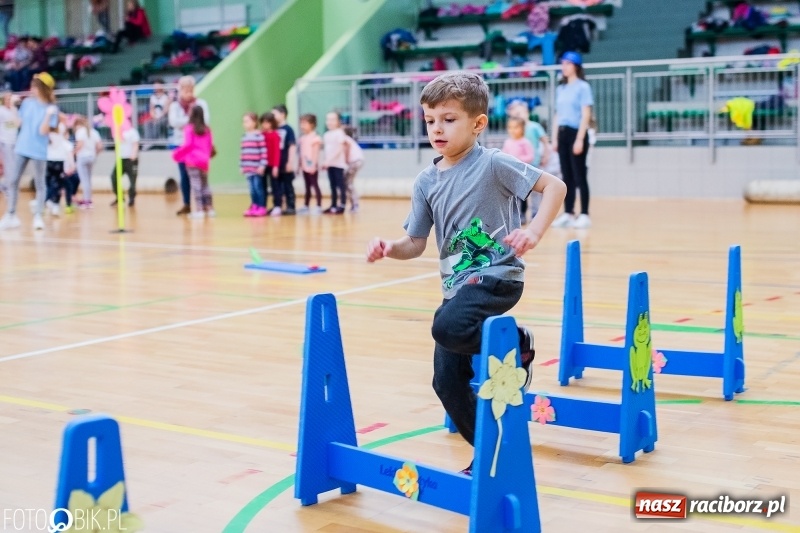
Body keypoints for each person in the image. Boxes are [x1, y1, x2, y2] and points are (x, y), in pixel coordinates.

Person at [365, 72, 566, 475]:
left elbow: (555, 187)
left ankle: (517, 342)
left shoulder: (493, 164)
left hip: (497, 277)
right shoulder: (425, 181)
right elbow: (416, 242)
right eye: (429, 120)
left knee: (446, 327)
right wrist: (391, 249)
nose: (437, 128)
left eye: (448, 119)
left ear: (478, 123)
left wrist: (533, 230)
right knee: (445, 381)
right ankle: (491, 451)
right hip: (458, 290)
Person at [0, 72, 59, 231]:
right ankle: (11, 215)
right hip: (22, 147)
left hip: (38, 150)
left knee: (40, 184)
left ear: (40, 88)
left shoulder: (51, 108)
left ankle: (38, 216)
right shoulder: (27, 103)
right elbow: (18, 123)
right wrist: (12, 106)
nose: (31, 88)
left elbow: (42, 131)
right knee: (12, 180)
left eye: (34, 86)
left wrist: (48, 116)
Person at [551, 51, 594, 229]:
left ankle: (584, 214)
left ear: (575, 66)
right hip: (562, 134)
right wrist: (554, 138)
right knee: (566, 176)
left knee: (579, 175)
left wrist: (580, 139)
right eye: (563, 63)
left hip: (576, 132)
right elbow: (557, 114)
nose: (564, 67)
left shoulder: (583, 87)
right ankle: (568, 213)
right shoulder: (560, 88)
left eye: (567, 63)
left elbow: (586, 115)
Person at [168, 76, 209, 215]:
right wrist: (192, 121)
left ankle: (204, 205)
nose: (187, 93)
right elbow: (174, 122)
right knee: (184, 176)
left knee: (201, 178)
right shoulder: (175, 106)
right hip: (180, 144)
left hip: (198, 148)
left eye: (190, 89)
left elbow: (205, 121)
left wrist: (186, 123)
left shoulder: (201, 103)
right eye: (184, 90)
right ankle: (187, 203)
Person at [172, 106, 214, 219]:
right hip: (204, 161)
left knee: (196, 185)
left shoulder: (189, 128)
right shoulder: (207, 129)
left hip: (192, 161)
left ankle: (199, 209)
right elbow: (210, 146)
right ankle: (210, 208)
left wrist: (176, 154)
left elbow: (187, 145)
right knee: (205, 185)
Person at [269, 104, 296, 216]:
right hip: (275, 163)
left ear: (283, 114)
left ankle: (291, 206)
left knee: (287, 185)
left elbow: (292, 146)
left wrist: (290, 161)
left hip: (284, 161)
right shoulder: (273, 130)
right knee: (275, 185)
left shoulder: (288, 129)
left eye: (274, 114)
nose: (272, 116)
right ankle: (277, 205)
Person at [240, 112, 267, 217]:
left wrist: (262, 165)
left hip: (257, 168)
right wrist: (242, 166)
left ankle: (261, 207)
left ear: (254, 122)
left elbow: (263, 152)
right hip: (248, 168)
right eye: (244, 121)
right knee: (251, 189)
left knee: (258, 187)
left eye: (247, 121)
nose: (245, 124)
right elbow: (243, 152)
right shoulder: (244, 136)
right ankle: (254, 206)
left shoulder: (258, 135)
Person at [73, 115, 102, 209]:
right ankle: (89, 200)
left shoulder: (80, 132)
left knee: (84, 180)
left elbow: (80, 145)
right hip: (92, 157)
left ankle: (86, 201)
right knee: (88, 180)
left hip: (82, 157)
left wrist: (72, 153)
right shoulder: (95, 132)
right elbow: (99, 146)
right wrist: (95, 154)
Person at [44, 115, 71, 216]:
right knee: (57, 184)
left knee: (49, 183)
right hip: (59, 160)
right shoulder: (61, 127)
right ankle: (54, 203)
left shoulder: (47, 129)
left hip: (49, 159)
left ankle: (49, 201)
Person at [321, 111, 347, 214]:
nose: (330, 122)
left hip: (338, 164)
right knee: (332, 185)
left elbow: (340, 148)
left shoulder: (339, 133)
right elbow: (327, 150)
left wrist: (329, 160)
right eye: (328, 119)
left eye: (332, 119)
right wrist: (325, 161)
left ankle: (342, 205)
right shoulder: (326, 134)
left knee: (340, 185)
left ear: (338, 121)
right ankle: (333, 204)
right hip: (330, 164)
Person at [109, 123, 140, 207]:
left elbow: (135, 144)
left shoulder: (132, 131)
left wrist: (133, 155)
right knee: (113, 178)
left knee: (132, 181)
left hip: (131, 160)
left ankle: (131, 198)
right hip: (120, 160)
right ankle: (119, 197)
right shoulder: (117, 132)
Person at [298, 113, 321, 214]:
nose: (302, 126)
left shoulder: (315, 138)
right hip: (304, 166)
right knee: (307, 186)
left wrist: (313, 165)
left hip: (311, 167)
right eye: (301, 123)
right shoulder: (302, 138)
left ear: (312, 124)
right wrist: (299, 165)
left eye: (304, 123)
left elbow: (315, 153)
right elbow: (302, 153)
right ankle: (306, 205)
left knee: (315, 185)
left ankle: (318, 205)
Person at [259, 112, 280, 215]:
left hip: (272, 165)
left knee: (275, 186)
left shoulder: (275, 135)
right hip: (263, 164)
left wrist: (276, 166)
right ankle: (263, 205)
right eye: (263, 122)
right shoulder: (261, 135)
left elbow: (276, 151)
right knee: (263, 186)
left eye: (267, 123)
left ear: (272, 123)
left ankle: (277, 205)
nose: (265, 125)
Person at [0, 91, 20, 188]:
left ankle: (9, 184)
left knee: (14, 165)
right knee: (8, 165)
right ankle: (8, 185)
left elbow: (17, 124)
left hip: (14, 141)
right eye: (7, 99)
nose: (9, 101)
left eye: (10, 99)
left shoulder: (15, 110)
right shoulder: (1, 110)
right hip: (5, 141)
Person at [343, 126, 364, 213]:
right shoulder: (350, 139)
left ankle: (355, 204)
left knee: (348, 183)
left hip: (355, 162)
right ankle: (353, 203)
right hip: (358, 161)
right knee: (347, 182)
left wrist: (346, 160)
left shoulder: (345, 139)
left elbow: (346, 150)